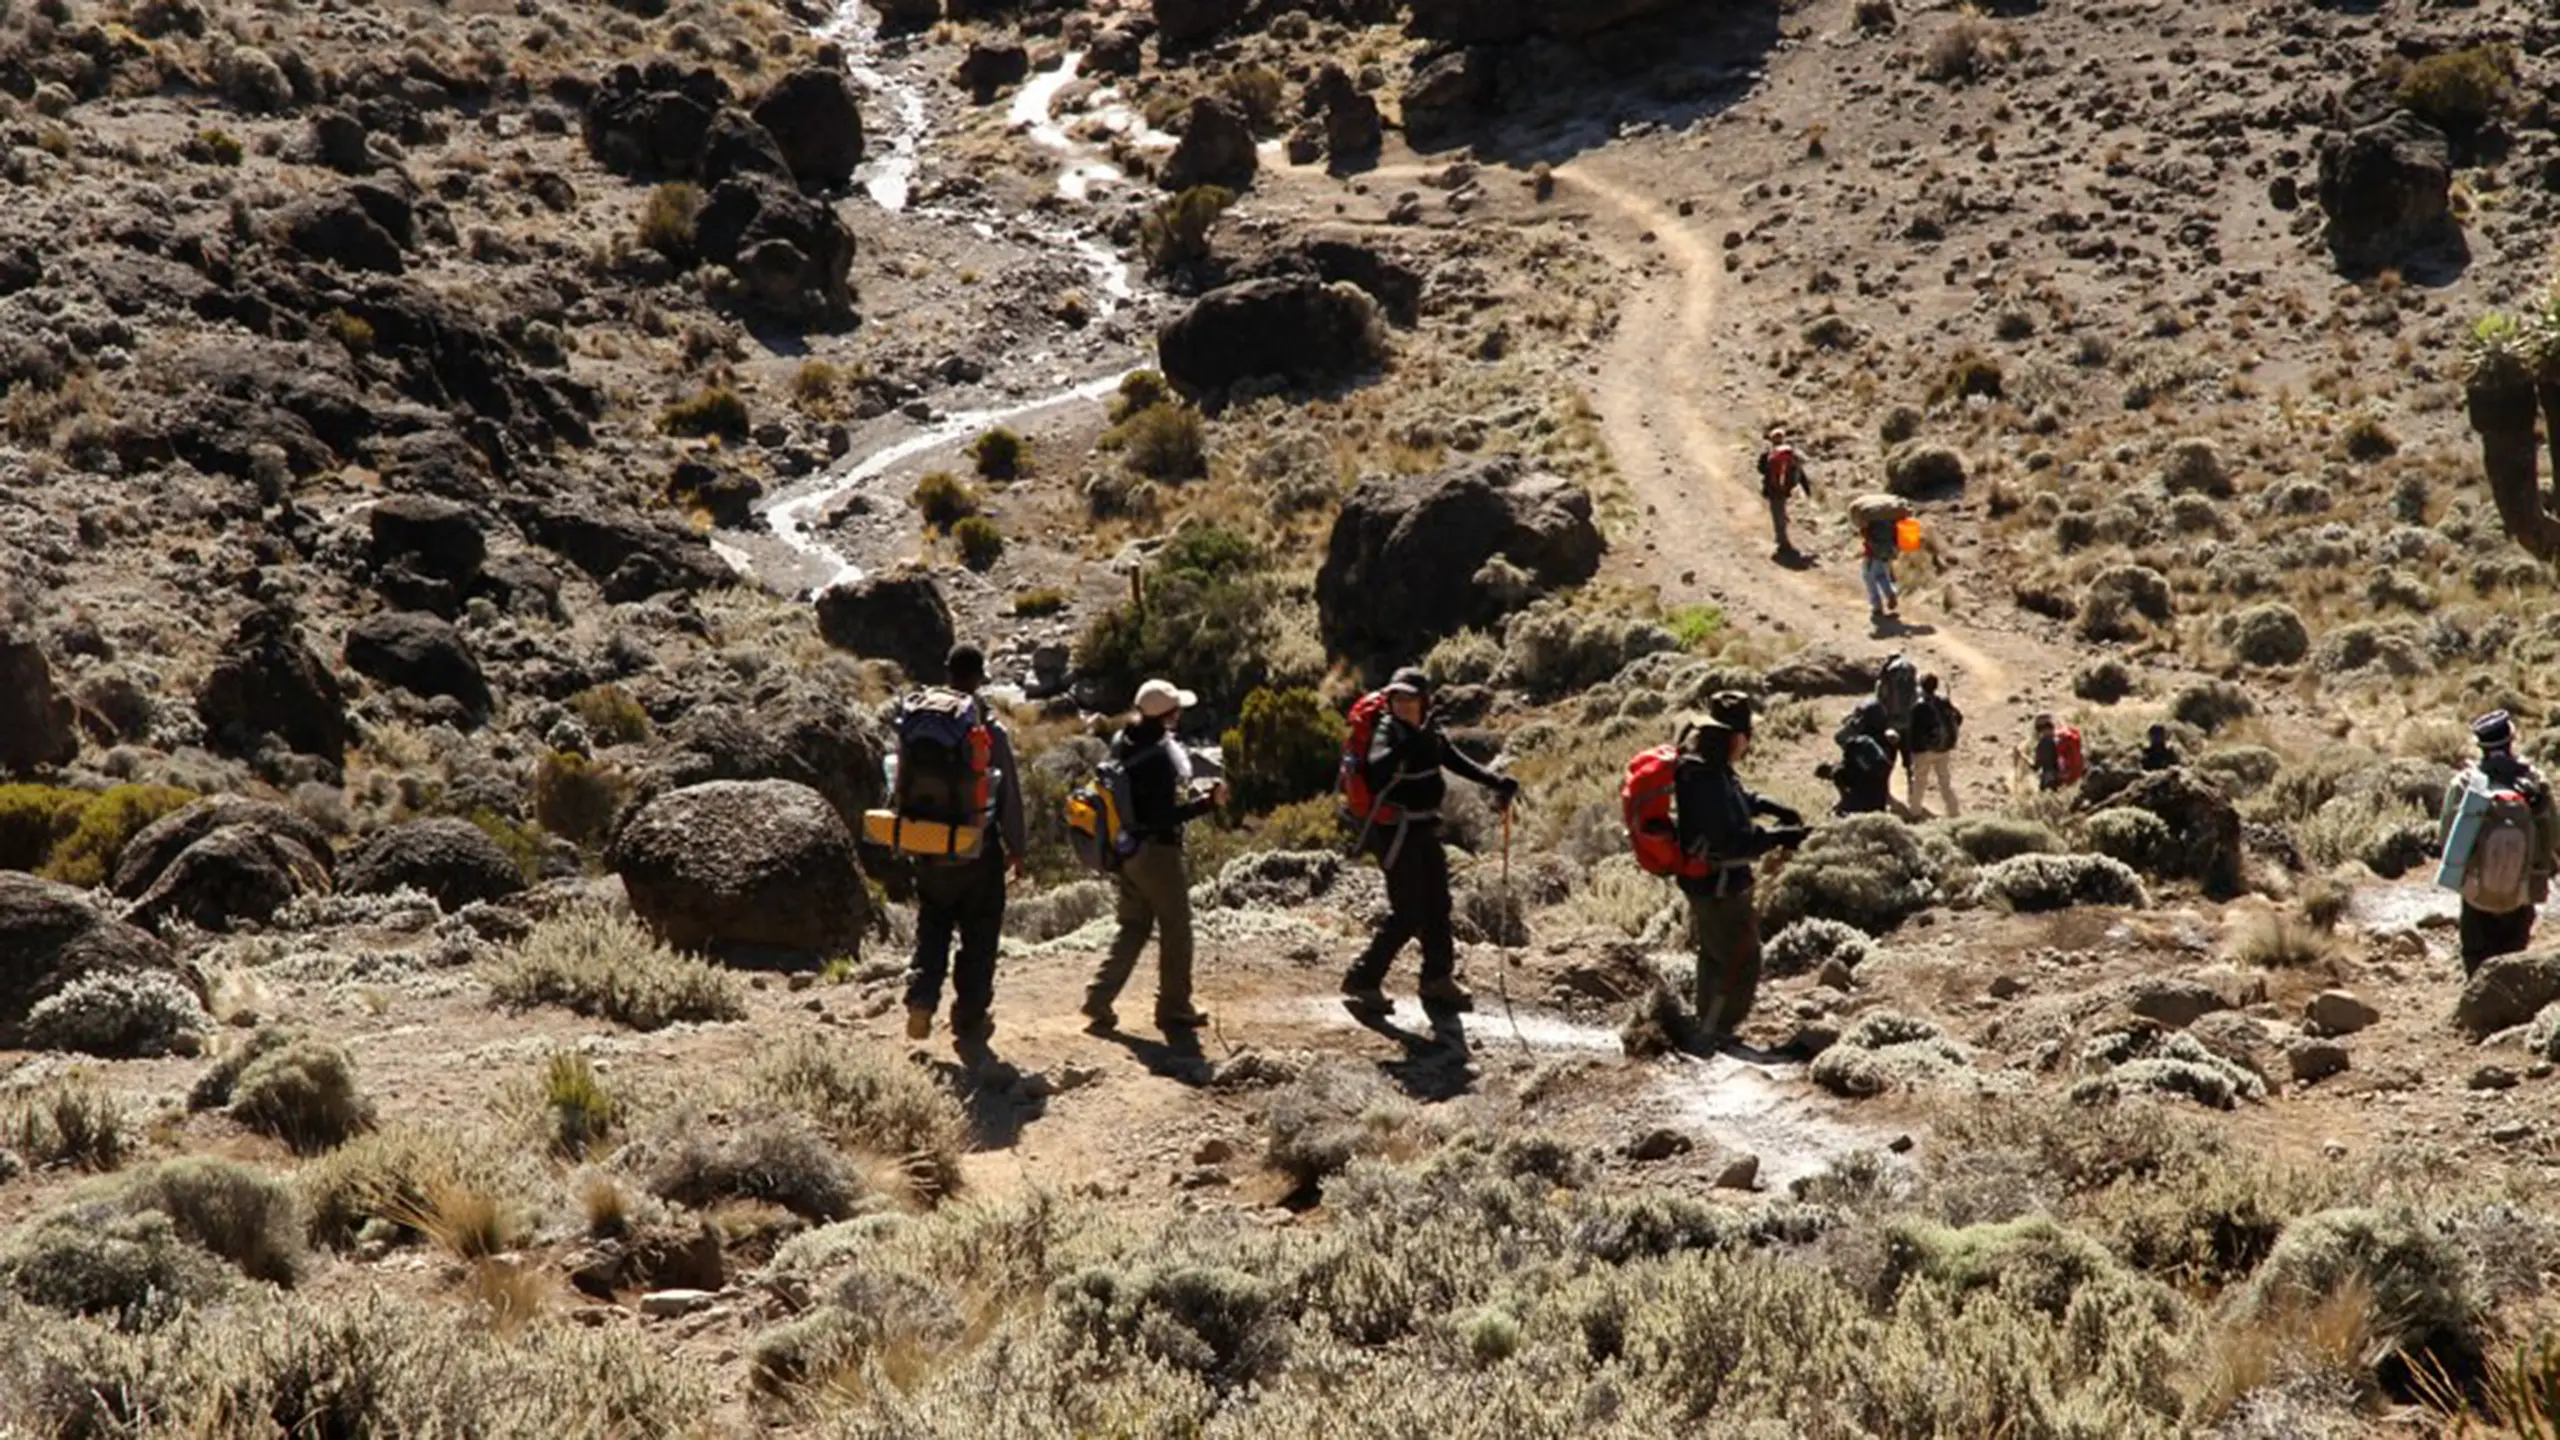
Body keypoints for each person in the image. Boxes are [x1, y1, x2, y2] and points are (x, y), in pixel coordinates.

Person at [1340, 669, 1519, 1017]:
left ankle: (1437, 979)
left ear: (1425, 700)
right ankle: (1363, 980)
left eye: (1410, 698)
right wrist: (1412, 741)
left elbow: (1453, 761)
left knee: (1438, 903)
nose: (1403, 704)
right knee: (1408, 912)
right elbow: (1378, 768)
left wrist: (1496, 781)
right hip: (1395, 831)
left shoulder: (1430, 732)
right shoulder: (1387, 730)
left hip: (1423, 827)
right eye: (1398, 698)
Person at [1083, 678, 1225, 1034]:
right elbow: (1162, 815)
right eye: (1177, 709)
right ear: (1168, 715)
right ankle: (1174, 1007)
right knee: (1176, 928)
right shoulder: (1160, 757)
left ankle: (1098, 999)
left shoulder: (1123, 740)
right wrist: (1206, 803)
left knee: (1133, 926)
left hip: (1127, 848)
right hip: (1157, 853)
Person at [903, 645, 1028, 1046]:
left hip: (927, 845)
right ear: (980, 678)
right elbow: (1008, 793)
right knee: (980, 931)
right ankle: (969, 1019)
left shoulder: (921, 721)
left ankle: (922, 998)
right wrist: (1017, 846)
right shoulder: (988, 730)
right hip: (977, 848)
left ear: (947, 672)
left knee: (933, 923)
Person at [1673, 691, 1809, 1038]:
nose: (1750, 741)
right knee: (1739, 961)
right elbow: (1732, 842)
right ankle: (1713, 1032)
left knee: (1716, 954)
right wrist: (1780, 837)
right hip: (1718, 884)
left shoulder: (1710, 768)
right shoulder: (1706, 779)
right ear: (1736, 736)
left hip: (1712, 881)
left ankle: (1707, 1023)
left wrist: (1771, 807)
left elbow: (1739, 801)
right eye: (1748, 734)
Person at [2440, 709, 2556, 973]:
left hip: (2476, 894)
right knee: (2512, 963)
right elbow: (2553, 838)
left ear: (2480, 745)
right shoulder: (2535, 783)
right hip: (2522, 893)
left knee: (2476, 962)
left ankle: (2474, 1006)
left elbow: (2447, 839)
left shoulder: (2465, 785)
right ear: (2511, 739)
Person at [1907, 673, 1962, 817]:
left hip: (1924, 751)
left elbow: (1913, 731)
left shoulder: (1919, 706)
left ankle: (1915, 813)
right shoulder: (1943, 701)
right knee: (1945, 783)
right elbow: (1959, 718)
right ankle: (1954, 813)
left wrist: (1912, 750)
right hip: (1943, 749)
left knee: (1919, 782)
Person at [1757, 425, 1814, 560]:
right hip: (1785, 489)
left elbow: (1760, 469)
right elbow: (1800, 472)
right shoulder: (1790, 454)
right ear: (1783, 439)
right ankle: (1782, 537)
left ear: (1771, 440)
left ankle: (1783, 542)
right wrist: (1806, 489)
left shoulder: (1768, 454)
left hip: (1772, 490)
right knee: (1780, 511)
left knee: (1777, 514)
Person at [1860, 504, 1901, 622]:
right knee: (1881, 576)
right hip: (1887, 555)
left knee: (1869, 579)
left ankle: (1877, 606)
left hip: (1872, 556)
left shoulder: (1870, 524)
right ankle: (1890, 594)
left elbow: (1864, 534)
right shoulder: (1891, 524)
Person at [2030, 713, 2064, 791]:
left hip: (2048, 781)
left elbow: (2035, 767)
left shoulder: (2043, 744)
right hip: (2063, 779)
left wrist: (2022, 755)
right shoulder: (2059, 740)